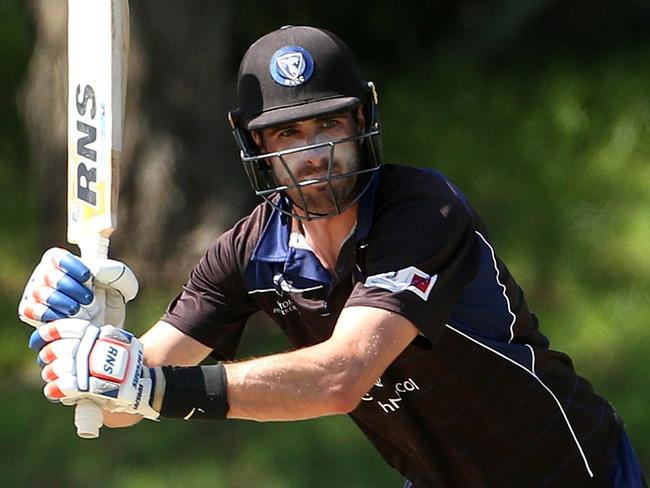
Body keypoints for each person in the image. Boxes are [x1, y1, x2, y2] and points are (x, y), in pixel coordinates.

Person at [19, 25, 646, 487]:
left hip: (571, 473)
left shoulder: (423, 211)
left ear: (364, 119)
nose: (313, 151)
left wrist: (151, 387)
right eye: (289, 133)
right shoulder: (245, 253)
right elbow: (126, 405)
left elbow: (342, 376)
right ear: (254, 141)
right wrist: (91, 345)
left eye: (329, 125)